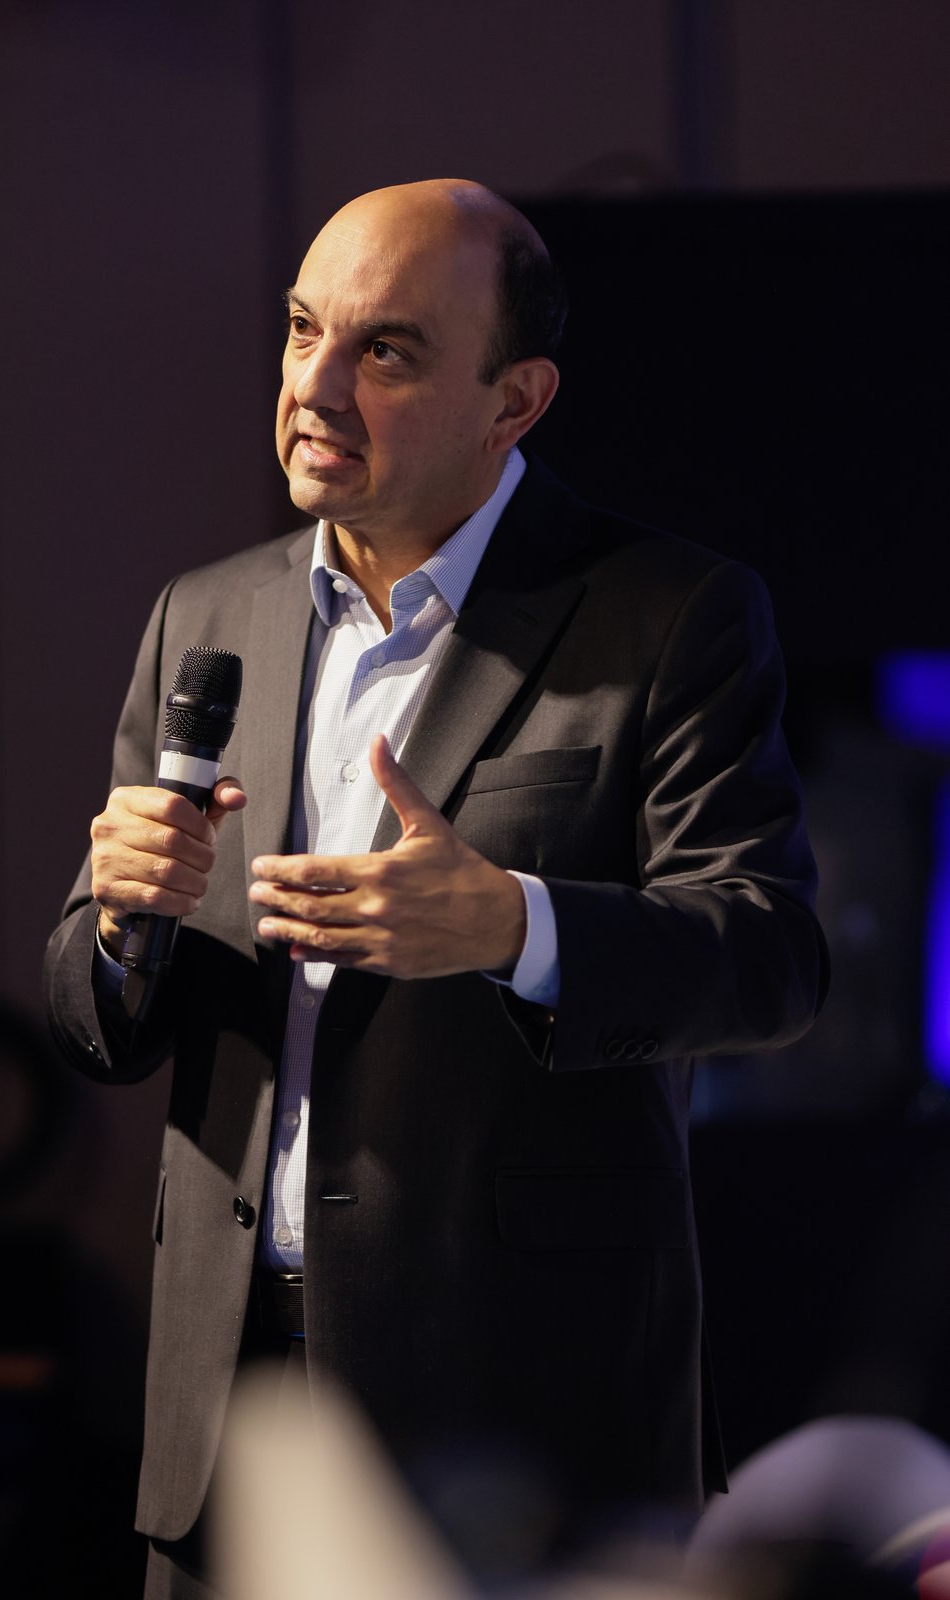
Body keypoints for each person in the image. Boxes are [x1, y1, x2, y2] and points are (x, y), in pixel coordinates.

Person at [44, 179, 828, 1597]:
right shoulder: (204, 614)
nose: (316, 385)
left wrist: (519, 925)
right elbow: (103, 1021)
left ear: (513, 402)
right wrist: (117, 923)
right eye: (303, 330)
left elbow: (770, 957)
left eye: (386, 351)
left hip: (518, 1416)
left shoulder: (668, 614)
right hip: (225, 1407)